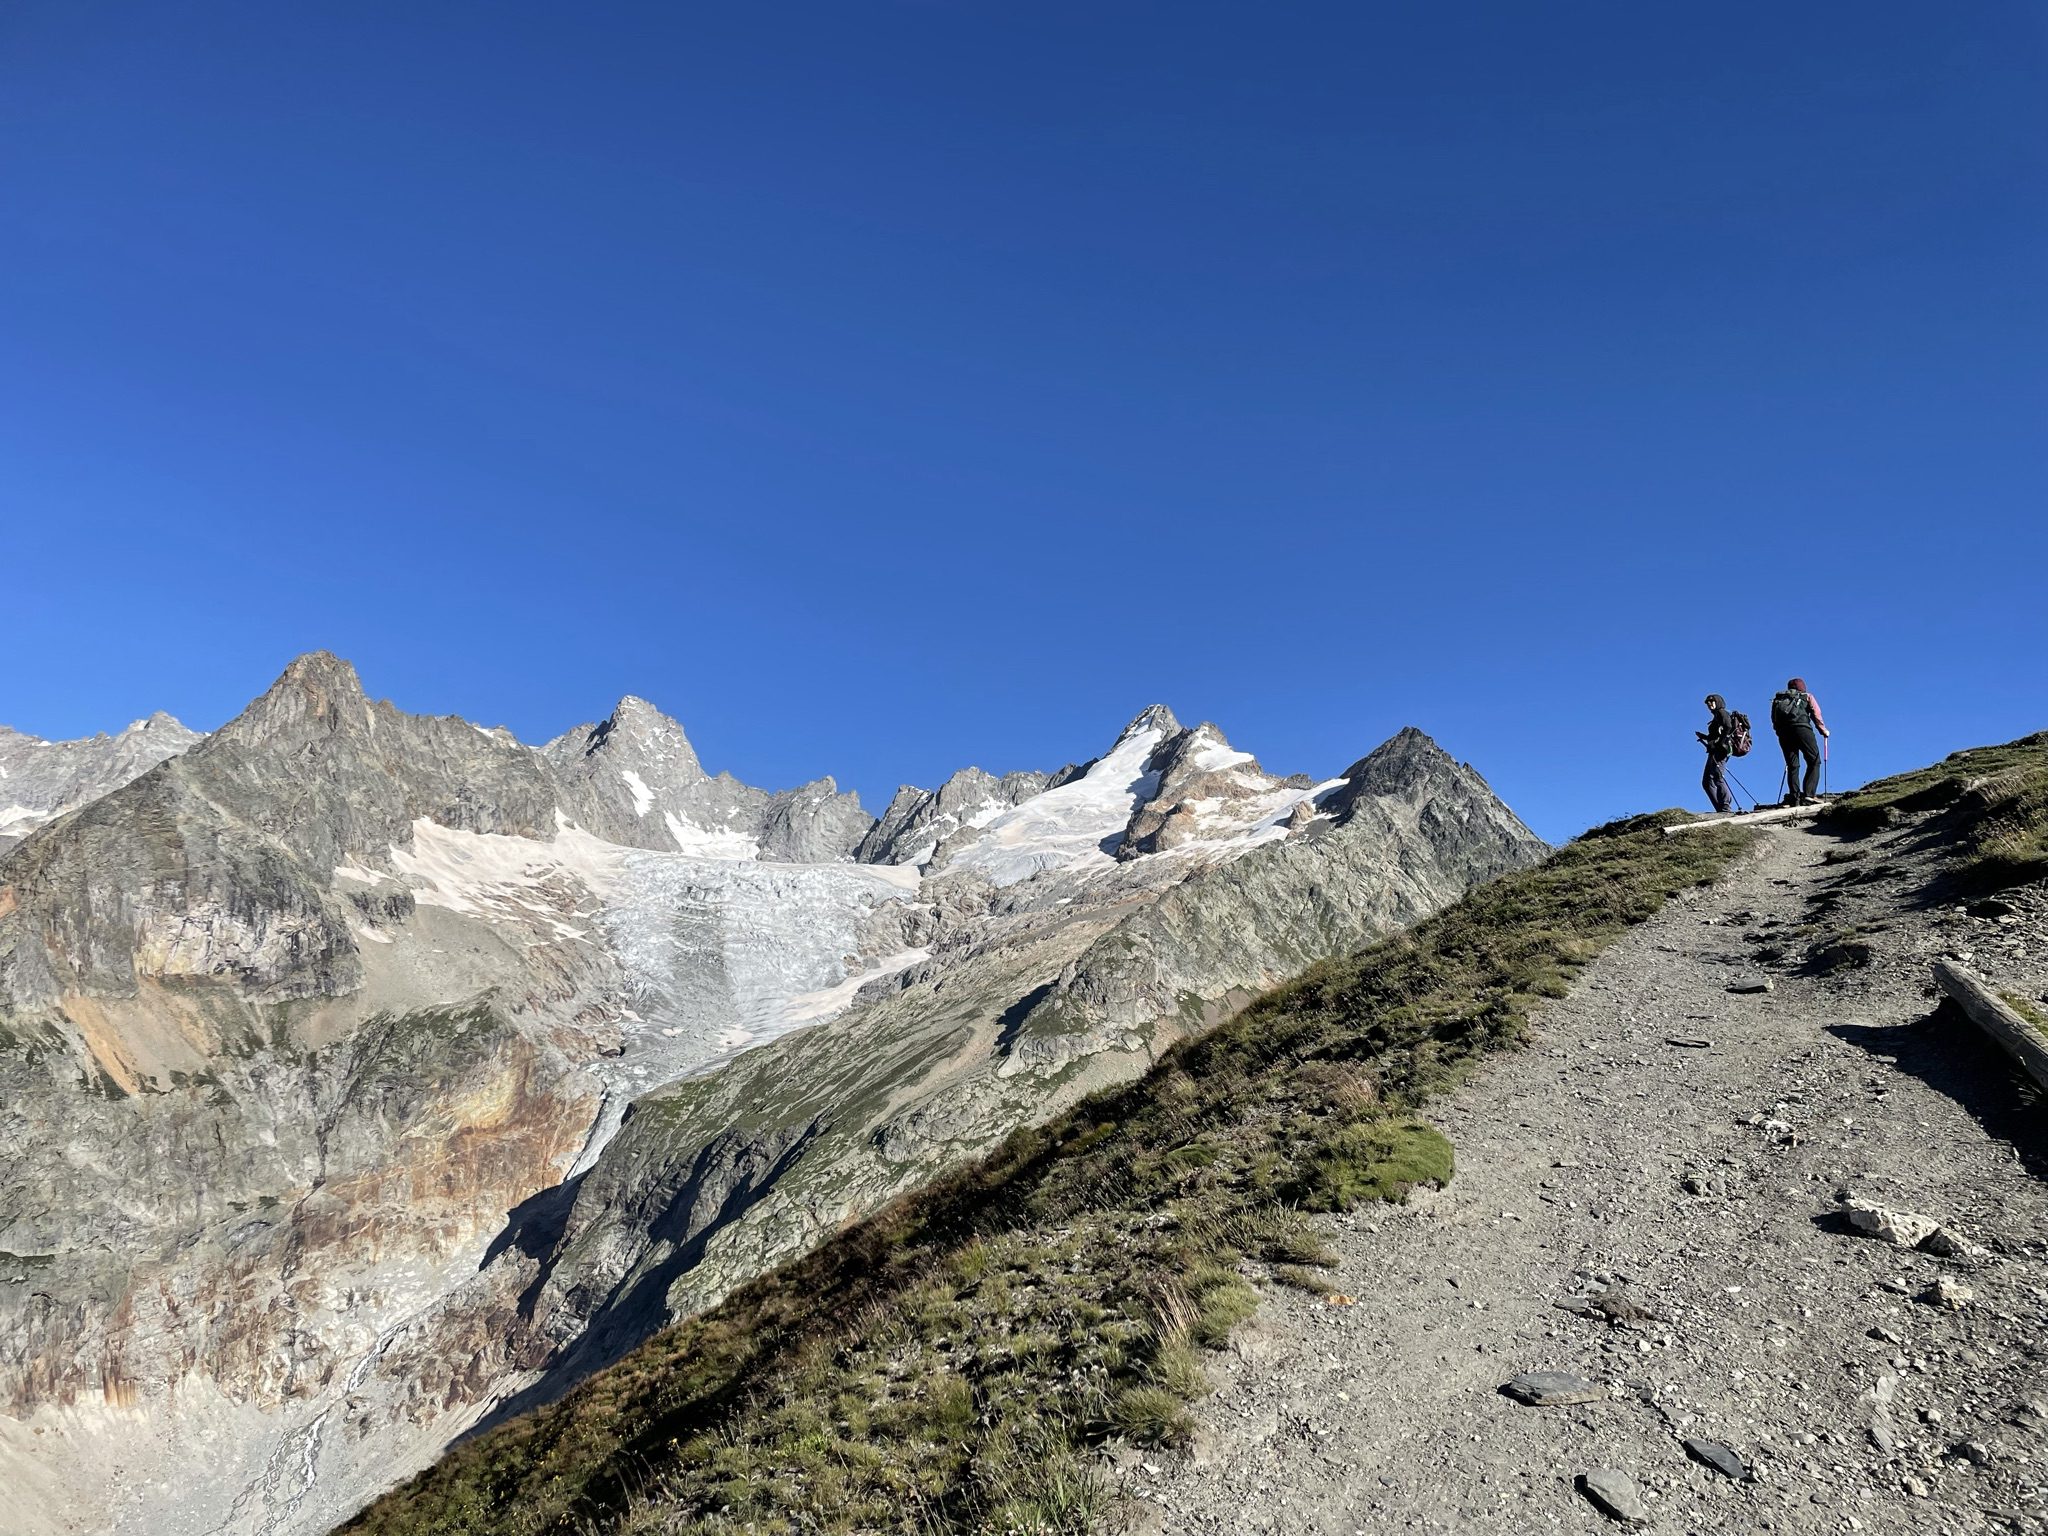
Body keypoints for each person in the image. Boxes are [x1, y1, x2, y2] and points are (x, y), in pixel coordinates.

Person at [1770, 677, 1829, 805]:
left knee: (1792, 765)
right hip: (1802, 729)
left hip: (1784, 733)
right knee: (1814, 760)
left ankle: (1794, 797)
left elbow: (1774, 720)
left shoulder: (1779, 699)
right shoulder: (1806, 696)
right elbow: (1816, 714)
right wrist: (1823, 730)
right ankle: (1808, 795)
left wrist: (1780, 732)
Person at [1696, 693, 1739, 813]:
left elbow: (1728, 726)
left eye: (1711, 701)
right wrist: (1705, 737)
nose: (1709, 704)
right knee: (1707, 781)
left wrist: (1721, 742)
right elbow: (1718, 733)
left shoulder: (1721, 712)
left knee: (1717, 777)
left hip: (1721, 751)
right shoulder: (1716, 716)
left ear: (1718, 702)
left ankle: (1725, 806)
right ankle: (1720, 808)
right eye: (1707, 703)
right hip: (1715, 751)